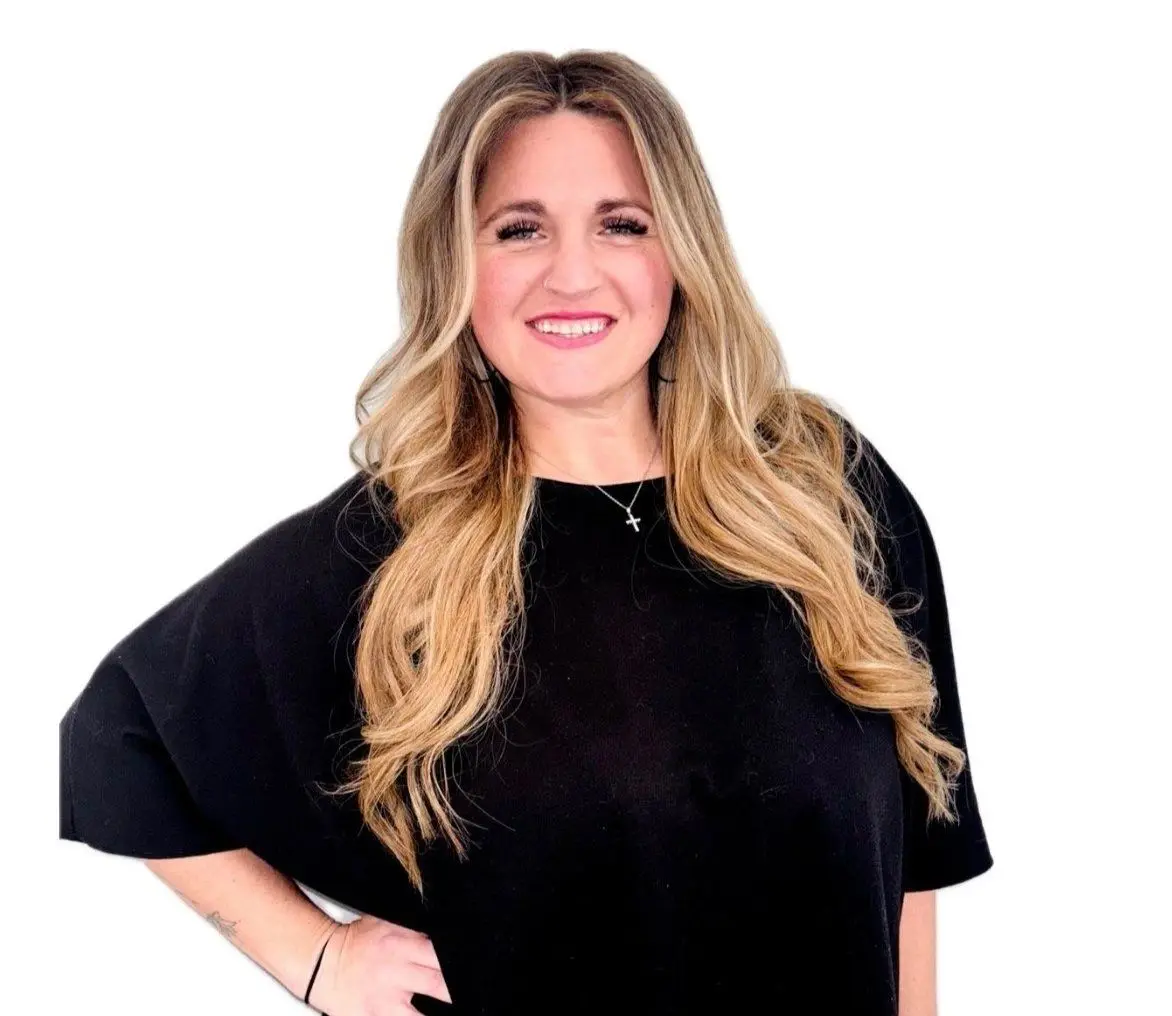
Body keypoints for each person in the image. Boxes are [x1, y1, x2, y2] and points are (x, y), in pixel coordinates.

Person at [58, 49, 994, 1016]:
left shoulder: (826, 491)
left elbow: (918, 859)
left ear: (681, 249)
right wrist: (318, 960)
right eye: (520, 230)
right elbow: (115, 737)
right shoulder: (392, 555)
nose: (573, 274)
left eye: (622, 224)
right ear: (456, 264)